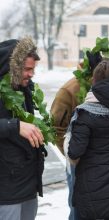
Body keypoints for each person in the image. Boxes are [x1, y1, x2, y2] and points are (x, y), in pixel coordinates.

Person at [50, 53, 109, 220]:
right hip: (86, 167)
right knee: (86, 211)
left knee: (103, 209)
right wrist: (75, 160)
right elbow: (57, 126)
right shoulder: (70, 89)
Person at [0, 37, 46, 220]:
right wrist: (14, 126)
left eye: (33, 69)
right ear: (12, 67)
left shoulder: (24, 88)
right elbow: (14, 126)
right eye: (27, 69)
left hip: (27, 183)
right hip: (6, 190)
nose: (31, 74)